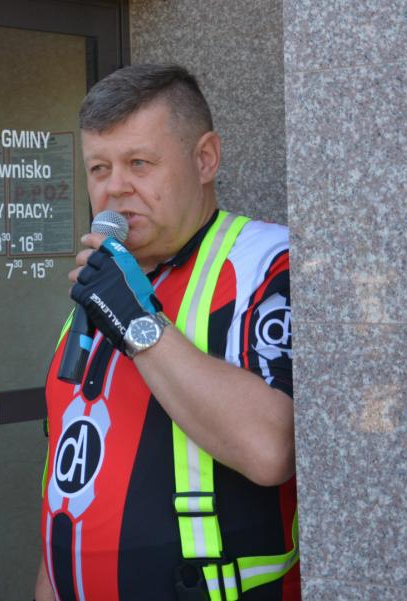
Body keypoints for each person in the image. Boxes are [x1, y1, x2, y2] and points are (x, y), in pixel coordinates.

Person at [36, 64, 299, 600]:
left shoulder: (266, 263)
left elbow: (272, 449)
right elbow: (69, 485)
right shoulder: (99, 286)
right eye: (99, 168)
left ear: (205, 159)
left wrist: (138, 323)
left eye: (139, 163)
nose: (114, 187)